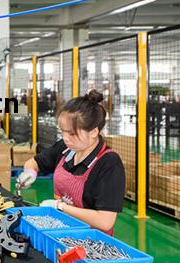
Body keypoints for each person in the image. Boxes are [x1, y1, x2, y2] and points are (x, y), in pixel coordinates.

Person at [16, 90, 125, 235]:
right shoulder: (65, 148)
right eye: (63, 131)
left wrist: (60, 207)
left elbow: (105, 221)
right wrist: (30, 171)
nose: (66, 138)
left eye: (72, 133)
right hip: (60, 230)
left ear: (94, 132)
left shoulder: (109, 163)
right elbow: (34, 162)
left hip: (90, 239)